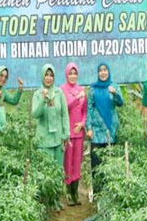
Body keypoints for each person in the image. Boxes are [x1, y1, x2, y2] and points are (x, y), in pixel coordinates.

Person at [86, 62, 123, 196]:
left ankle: (109, 194)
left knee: (109, 163)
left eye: (105, 70)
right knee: (96, 164)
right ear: (98, 73)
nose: (103, 73)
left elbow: (120, 103)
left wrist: (115, 94)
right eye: (100, 70)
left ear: (108, 72)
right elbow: (89, 109)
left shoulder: (114, 86)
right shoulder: (93, 89)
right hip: (96, 132)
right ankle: (97, 194)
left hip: (110, 131)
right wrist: (88, 128)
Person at [32, 64, 70, 173]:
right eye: (46, 75)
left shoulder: (59, 92)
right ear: (42, 77)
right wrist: (43, 99)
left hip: (58, 138)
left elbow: (64, 114)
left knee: (58, 171)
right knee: (46, 172)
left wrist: (66, 134)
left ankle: (59, 191)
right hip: (44, 139)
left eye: (51, 75)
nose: (48, 78)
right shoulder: (37, 94)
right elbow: (35, 114)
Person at [61, 63, 87, 205]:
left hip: (79, 132)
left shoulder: (81, 89)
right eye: (70, 73)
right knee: (68, 163)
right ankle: (68, 193)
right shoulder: (62, 90)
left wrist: (82, 124)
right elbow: (66, 106)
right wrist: (77, 97)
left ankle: (75, 192)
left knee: (77, 162)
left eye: (74, 73)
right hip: (68, 132)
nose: (72, 76)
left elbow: (85, 111)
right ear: (66, 75)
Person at [0, 66, 23, 132]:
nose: (3, 79)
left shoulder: (3, 91)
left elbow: (13, 101)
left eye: (6, 77)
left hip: (1, 130)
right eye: (1, 75)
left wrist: (19, 89)